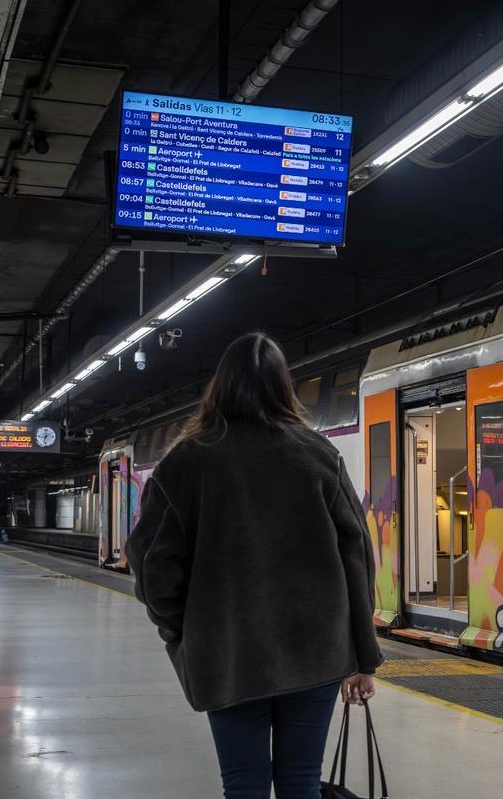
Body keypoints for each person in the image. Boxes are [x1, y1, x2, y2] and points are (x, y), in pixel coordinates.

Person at [126, 332, 382, 799]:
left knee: (243, 785)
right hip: (316, 652)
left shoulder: (185, 462)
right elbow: (358, 557)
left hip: (228, 652)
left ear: (219, 387)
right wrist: (364, 656)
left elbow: (151, 564)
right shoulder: (319, 456)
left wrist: (184, 630)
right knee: (301, 781)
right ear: (285, 388)